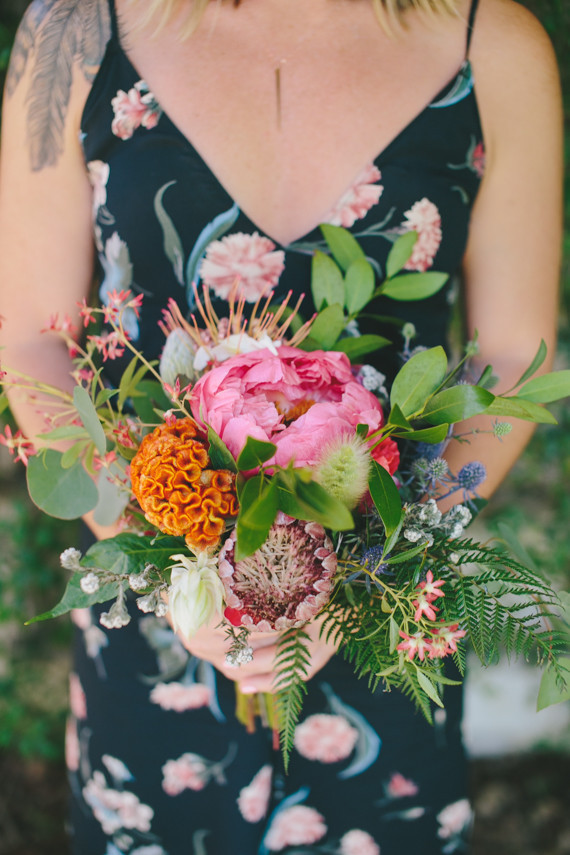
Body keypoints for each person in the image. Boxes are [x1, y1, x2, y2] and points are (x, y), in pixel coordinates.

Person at [0, 0, 562, 852]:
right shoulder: (76, 33)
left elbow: (516, 351)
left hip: (385, 624)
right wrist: (176, 576)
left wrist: (372, 567)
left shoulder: (493, 43)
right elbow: (29, 343)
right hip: (154, 638)